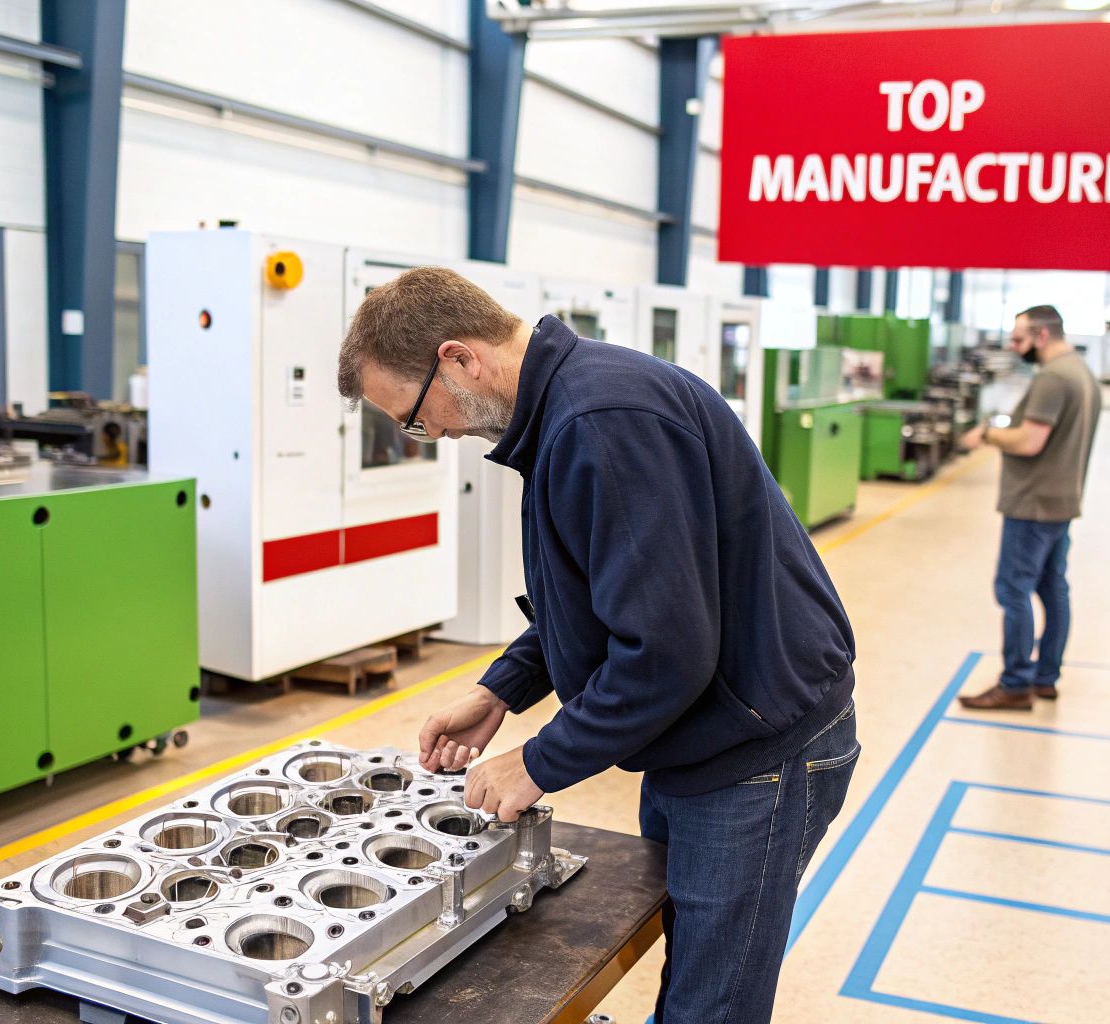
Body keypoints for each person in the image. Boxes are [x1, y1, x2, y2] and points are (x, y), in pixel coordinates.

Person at [336, 267, 861, 1022]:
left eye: (417, 418)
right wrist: (501, 690)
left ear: (459, 359)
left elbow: (666, 652)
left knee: (712, 1004)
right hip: (709, 733)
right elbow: (596, 595)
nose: (435, 436)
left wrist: (539, 760)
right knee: (692, 964)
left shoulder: (602, 420)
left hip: (758, 754)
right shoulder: (567, 408)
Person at [956, 305, 1102, 710]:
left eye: (1019, 339)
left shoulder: (1054, 378)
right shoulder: (1082, 373)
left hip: (1033, 505)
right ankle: (1046, 676)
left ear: (1042, 335)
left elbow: (1030, 441)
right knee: (1053, 588)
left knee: (1013, 590)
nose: (1013, 346)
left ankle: (1016, 682)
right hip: (1062, 500)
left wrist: (987, 433)